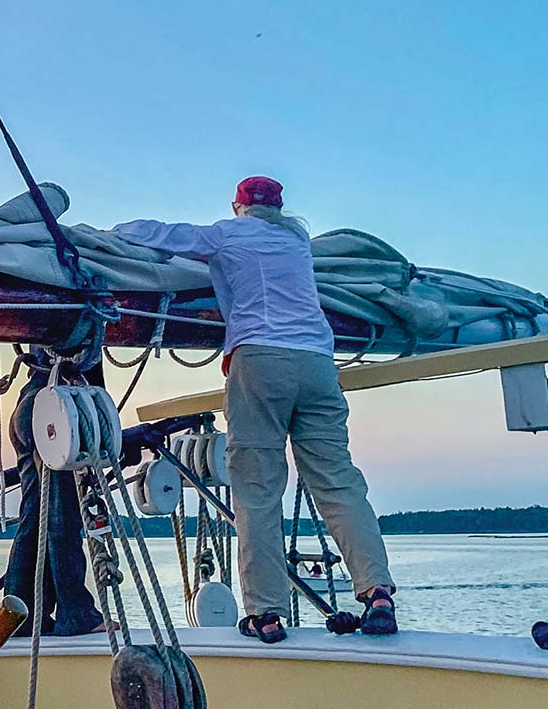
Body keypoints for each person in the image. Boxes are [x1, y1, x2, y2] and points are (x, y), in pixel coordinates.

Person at [115, 177, 397, 643]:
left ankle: (265, 612)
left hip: (261, 359)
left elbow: (162, 234)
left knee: (257, 487)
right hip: (317, 363)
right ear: (280, 208)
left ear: (238, 206)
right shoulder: (296, 240)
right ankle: (377, 592)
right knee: (338, 481)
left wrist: (112, 231)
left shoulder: (229, 233)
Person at [2, 357, 103, 636]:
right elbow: (89, 369)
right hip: (57, 407)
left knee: (34, 516)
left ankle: (18, 617)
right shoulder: (88, 325)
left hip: (28, 405)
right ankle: (76, 612)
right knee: (62, 514)